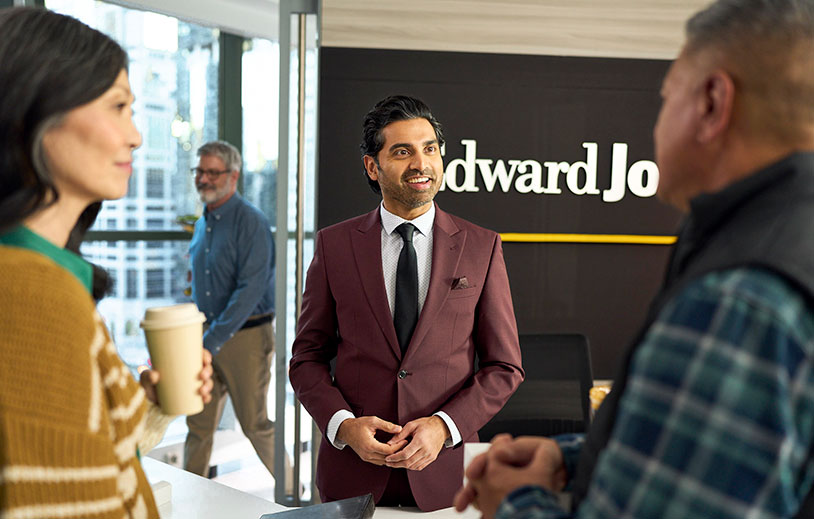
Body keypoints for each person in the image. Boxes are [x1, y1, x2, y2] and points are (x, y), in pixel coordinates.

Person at [453, 0, 814, 517]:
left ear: (712, 104)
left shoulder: (738, 298)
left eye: (666, 97)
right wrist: (572, 458)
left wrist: (513, 501)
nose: (656, 123)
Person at [0, 8, 213, 519]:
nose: (135, 136)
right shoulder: (23, 296)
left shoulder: (12, 275)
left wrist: (151, 405)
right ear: (32, 112)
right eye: (118, 106)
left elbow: (71, 468)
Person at [289, 95, 524, 511]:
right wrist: (343, 427)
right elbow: (306, 359)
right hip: (353, 476)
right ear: (372, 166)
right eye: (402, 152)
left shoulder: (482, 247)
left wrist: (444, 427)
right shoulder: (334, 245)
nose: (421, 163)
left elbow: (504, 367)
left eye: (429, 149)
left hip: (448, 479)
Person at [184, 140, 293, 492]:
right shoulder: (204, 222)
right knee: (198, 426)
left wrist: (210, 340)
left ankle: (297, 495)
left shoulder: (251, 221)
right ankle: (189, 495)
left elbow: (251, 289)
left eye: (212, 172)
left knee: (255, 425)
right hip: (206, 336)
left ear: (233, 176)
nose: (203, 179)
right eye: (199, 171)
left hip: (244, 338)